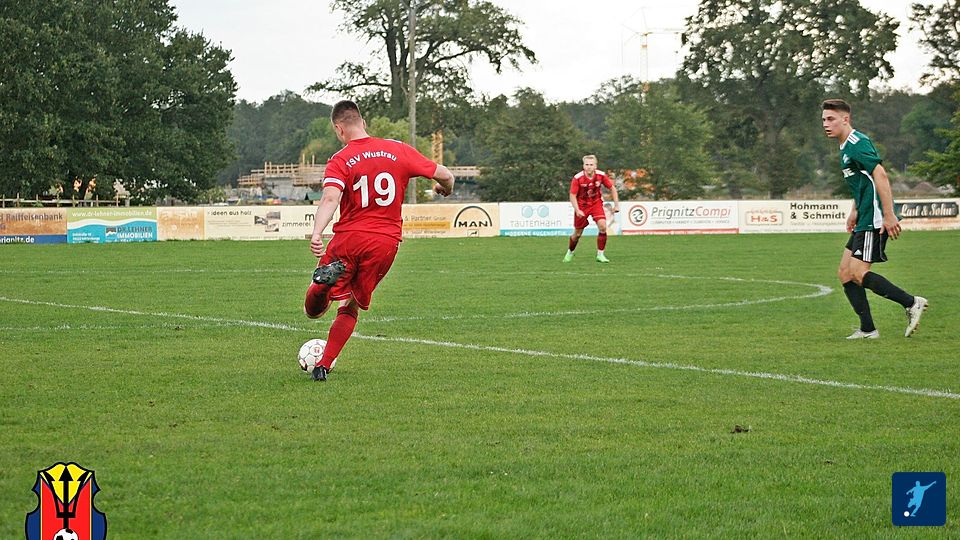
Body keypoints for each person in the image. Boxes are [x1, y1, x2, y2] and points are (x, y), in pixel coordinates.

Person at [304, 100, 455, 381]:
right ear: (363, 122)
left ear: (339, 129)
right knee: (350, 305)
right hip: (384, 242)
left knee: (313, 311)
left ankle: (323, 287)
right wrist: (443, 188)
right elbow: (446, 175)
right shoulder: (397, 150)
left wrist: (316, 232)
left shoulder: (341, 159)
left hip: (349, 237)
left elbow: (330, 198)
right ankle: (323, 365)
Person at [821, 99, 927, 339]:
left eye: (831, 119)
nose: (826, 124)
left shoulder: (857, 143)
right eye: (824, 120)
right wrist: (855, 209)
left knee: (858, 272)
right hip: (864, 215)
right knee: (845, 272)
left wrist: (889, 215)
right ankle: (868, 329)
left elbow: (880, 175)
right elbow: (863, 183)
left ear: (845, 119)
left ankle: (911, 303)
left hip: (875, 218)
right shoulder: (845, 146)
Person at [563, 155, 619, 263]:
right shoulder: (577, 178)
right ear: (583, 166)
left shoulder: (601, 175)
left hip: (596, 203)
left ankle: (600, 255)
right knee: (577, 234)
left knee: (603, 226)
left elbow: (612, 188)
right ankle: (570, 252)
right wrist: (577, 209)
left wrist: (616, 205)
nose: (589, 167)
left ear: (595, 166)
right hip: (581, 206)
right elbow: (572, 195)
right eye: (587, 164)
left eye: (591, 164)